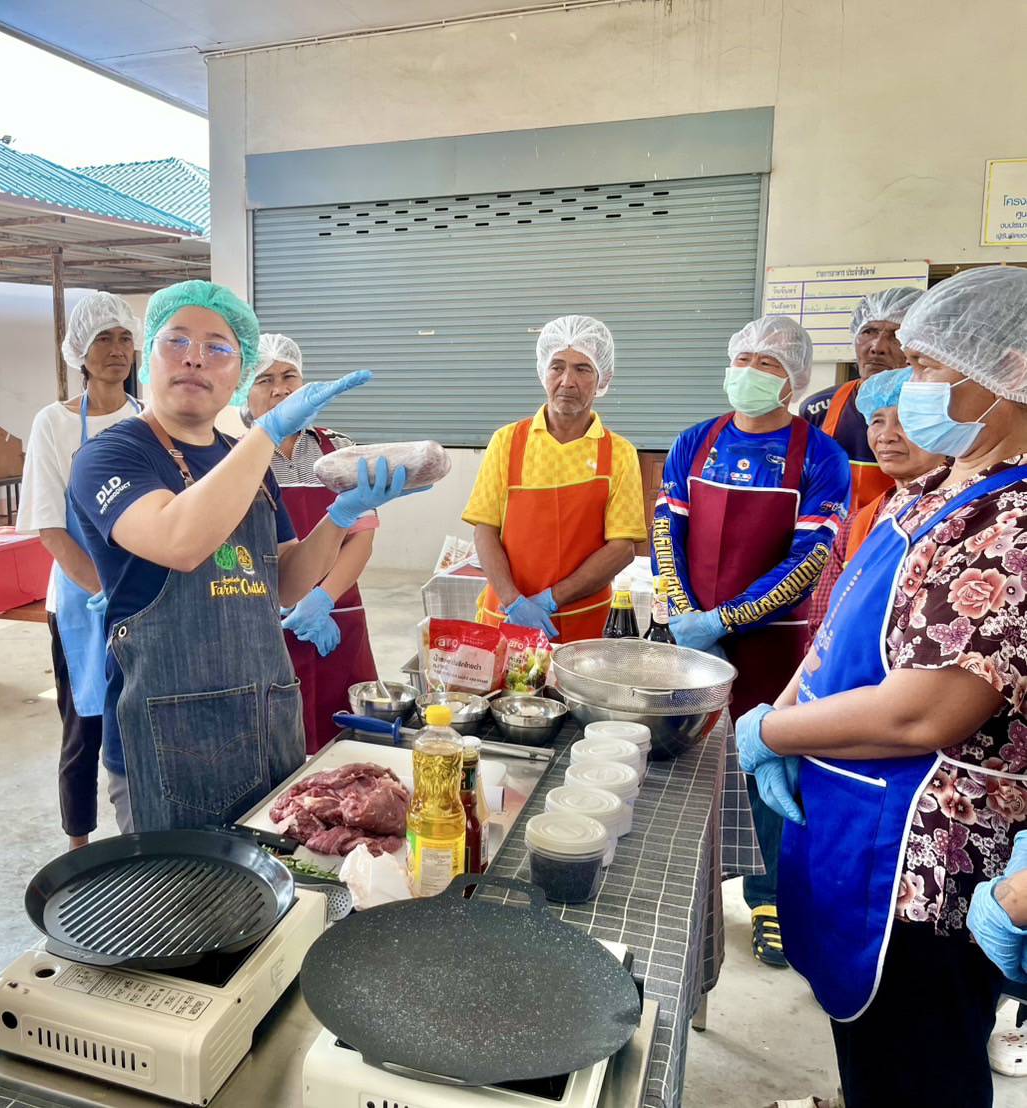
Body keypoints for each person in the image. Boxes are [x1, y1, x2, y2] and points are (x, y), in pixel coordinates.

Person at [739, 266, 1027, 1107]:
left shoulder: (1010, 524)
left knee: (918, 1072)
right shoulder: (942, 487)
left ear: (1008, 374)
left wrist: (771, 734)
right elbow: (836, 636)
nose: (910, 390)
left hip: (921, 859)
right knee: (872, 1061)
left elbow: (926, 712)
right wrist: (785, 709)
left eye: (932, 371)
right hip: (853, 821)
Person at [68, 280, 420, 832]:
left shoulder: (241, 458)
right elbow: (179, 541)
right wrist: (268, 435)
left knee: (272, 906)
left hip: (265, 724)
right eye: (176, 341)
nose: (195, 358)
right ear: (149, 357)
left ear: (236, 373)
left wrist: (341, 516)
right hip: (166, 741)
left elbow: (287, 582)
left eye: (218, 348)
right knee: (180, 909)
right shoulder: (111, 453)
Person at [651, 315, 850, 968]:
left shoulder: (819, 456)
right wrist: (684, 609)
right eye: (741, 358)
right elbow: (665, 531)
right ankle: (680, 877)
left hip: (771, 643)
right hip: (689, 634)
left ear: (792, 380)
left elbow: (809, 559)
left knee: (767, 761)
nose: (748, 373)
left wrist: (726, 620)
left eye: (765, 364)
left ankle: (768, 900)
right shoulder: (695, 440)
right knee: (682, 759)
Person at [18, 292, 142, 848]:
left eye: (123, 338)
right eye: (102, 340)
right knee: (84, 726)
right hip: (80, 602)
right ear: (79, 353)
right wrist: (104, 590)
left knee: (137, 717)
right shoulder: (54, 424)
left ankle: (141, 833)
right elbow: (51, 526)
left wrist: (134, 595)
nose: (116, 351)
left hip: (144, 598)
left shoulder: (149, 420)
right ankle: (79, 847)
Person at [464, 315, 646, 640]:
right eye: (557, 366)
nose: (567, 381)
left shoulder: (619, 452)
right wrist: (514, 600)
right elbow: (485, 529)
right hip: (508, 619)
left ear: (604, 378)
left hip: (585, 627)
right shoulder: (507, 442)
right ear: (543, 372)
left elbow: (621, 548)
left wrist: (550, 600)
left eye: (582, 369)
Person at [242, 333, 381, 753]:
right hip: (261, 620)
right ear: (242, 391)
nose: (280, 388)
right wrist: (285, 601)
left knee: (343, 745)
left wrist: (321, 598)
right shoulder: (233, 454)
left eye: (289, 376)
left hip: (336, 616)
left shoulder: (338, 449)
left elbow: (360, 538)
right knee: (274, 746)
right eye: (265, 379)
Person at [806, 367, 947, 638]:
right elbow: (822, 626)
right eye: (877, 420)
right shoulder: (856, 524)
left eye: (906, 420)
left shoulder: (967, 516)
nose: (886, 435)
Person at [801, 287, 924, 513]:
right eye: (868, 331)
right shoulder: (819, 407)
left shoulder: (937, 409)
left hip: (900, 536)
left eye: (896, 336)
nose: (877, 347)